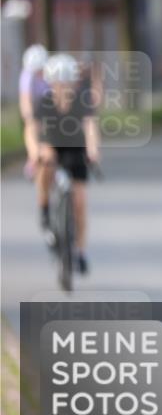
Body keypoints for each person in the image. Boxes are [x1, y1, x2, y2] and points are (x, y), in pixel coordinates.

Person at [35, 53, 100, 274]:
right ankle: (44, 209)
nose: (62, 87)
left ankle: (80, 252)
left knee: (80, 204)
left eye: (66, 81)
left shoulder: (82, 99)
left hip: (75, 151)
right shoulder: (44, 102)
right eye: (57, 82)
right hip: (52, 147)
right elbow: (33, 129)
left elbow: (90, 126)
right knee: (44, 165)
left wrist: (93, 149)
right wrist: (36, 150)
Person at [19, 44, 50, 180]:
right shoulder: (27, 76)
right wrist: (29, 116)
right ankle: (33, 157)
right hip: (34, 104)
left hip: (49, 104)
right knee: (31, 126)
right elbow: (25, 99)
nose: (39, 73)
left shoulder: (51, 73)